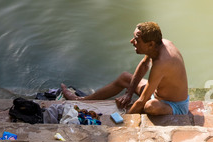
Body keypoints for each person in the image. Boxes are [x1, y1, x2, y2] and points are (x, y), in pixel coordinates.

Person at [61, 22, 189, 115]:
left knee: (150, 106)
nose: (132, 41)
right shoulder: (159, 44)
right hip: (157, 93)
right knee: (124, 77)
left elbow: (142, 100)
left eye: (137, 40)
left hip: (174, 106)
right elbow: (144, 65)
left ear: (150, 44)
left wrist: (123, 121)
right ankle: (82, 100)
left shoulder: (162, 62)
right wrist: (128, 93)